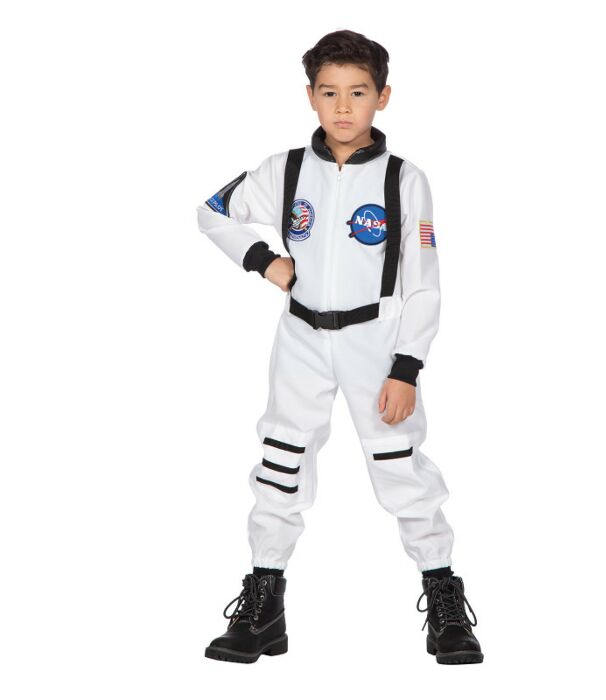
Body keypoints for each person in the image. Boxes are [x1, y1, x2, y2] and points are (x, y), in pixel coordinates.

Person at [196, 29, 483, 665]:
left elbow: (423, 283)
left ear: (383, 97)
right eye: (329, 93)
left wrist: (406, 367)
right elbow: (212, 211)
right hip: (300, 337)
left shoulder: (404, 180)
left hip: (374, 342)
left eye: (358, 92)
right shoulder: (285, 171)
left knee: (399, 466)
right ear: (310, 97)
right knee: (280, 462)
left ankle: (443, 599)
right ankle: (264, 603)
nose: (344, 106)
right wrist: (264, 259)